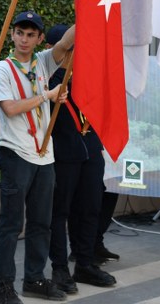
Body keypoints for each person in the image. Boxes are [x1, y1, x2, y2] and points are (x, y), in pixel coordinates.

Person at [0, 11, 75, 304]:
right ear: (12, 35)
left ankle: (34, 279)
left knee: (41, 223)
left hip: (43, 155)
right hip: (16, 153)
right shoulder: (3, 68)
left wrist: (88, 11)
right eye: (20, 33)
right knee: (11, 224)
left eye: (30, 35)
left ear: (40, 38)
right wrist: (47, 96)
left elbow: (65, 43)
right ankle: (3, 286)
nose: (24, 40)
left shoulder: (42, 61)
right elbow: (10, 108)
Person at [45, 25, 116, 295]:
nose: (76, 54)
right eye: (71, 49)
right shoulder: (49, 78)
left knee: (89, 208)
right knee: (59, 212)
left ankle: (85, 262)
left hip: (90, 148)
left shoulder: (87, 76)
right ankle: (60, 268)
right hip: (63, 153)